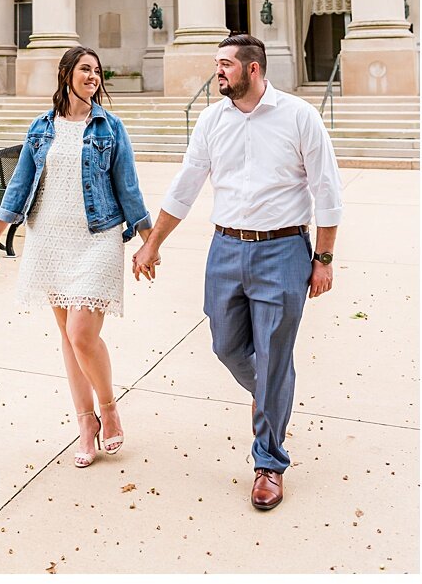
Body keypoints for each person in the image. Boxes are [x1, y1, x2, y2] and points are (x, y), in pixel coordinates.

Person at [132, 34, 341, 512]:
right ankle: (269, 392)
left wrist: (323, 260)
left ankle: (269, 463)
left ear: (253, 69)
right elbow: (185, 186)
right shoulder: (211, 120)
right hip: (225, 248)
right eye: (216, 64)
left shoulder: (299, 116)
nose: (217, 72)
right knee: (226, 345)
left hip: (284, 249)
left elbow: (327, 191)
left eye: (225, 65)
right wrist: (152, 244)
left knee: (272, 355)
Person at [0, 46, 152, 466]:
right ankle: (85, 423)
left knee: (81, 334)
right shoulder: (42, 127)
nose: (93, 77)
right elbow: (20, 184)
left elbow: (128, 188)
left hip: (98, 237)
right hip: (49, 239)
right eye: (85, 69)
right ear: (66, 74)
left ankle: (108, 409)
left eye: (97, 71)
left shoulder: (110, 127)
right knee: (68, 339)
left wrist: (149, 241)